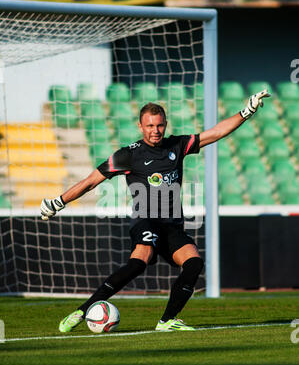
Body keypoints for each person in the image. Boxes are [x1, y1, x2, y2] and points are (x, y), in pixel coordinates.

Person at [40, 89, 270, 332]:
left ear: (165, 124)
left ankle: (167, 320)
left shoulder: (177, 145)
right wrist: (58, 202)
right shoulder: (128, 155)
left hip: (172, 225)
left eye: (159, 125)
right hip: (145, 220)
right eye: (150, 125)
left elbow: (215, 133)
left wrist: (247, 111)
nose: (155, 130)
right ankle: (82, 310)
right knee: (140, 262)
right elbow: (90, 181)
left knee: (194, 263)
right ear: (140, 126)